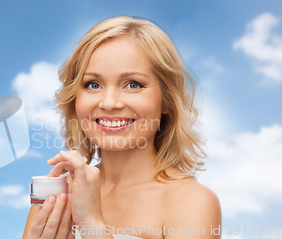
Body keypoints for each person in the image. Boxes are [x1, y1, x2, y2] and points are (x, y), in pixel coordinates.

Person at [22, 16, 222, 239]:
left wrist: (92, 225)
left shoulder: (192, 202)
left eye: (133, 84)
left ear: (167, 100)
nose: (108, 103)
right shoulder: (57, 193)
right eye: (93, 84)